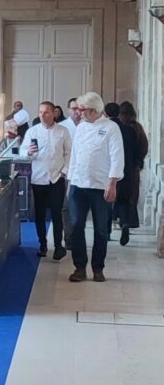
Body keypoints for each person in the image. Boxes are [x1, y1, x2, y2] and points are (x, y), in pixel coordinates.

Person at [66, 93, 124, 283]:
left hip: (101, 186)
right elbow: (75, 155)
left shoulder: (111, 128)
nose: (79, 113)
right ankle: (79, 267)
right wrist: (70, 181)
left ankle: (98, 268)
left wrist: (112, 183)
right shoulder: (81, 127)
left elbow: (117, 157)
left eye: (81, 110)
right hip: (78, 184)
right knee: (76, 226)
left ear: (94, 110)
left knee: (101, 229)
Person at [24, 101, 72, 260]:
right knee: (39, 214)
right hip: (38, 178)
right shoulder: (32, 131)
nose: (42, 115)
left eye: (46, 112)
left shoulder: (63, 131)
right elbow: (22, 152)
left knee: (57, 213)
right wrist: (27, 152)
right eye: (40, 112)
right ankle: (42, 244)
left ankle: (59, 246)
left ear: (54, 113)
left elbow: (69, 153)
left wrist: (64, 172)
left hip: (56, 178)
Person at [104, 102, 140, 246]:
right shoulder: (129, 130)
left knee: (106, 201)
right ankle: (124, 223)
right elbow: (137, 151)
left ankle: (106, 231)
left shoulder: (105, 130)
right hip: (126, 172)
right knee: (124, 200)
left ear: (105, 114)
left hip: (107, 171)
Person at [119, 101, 148, 228]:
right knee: (132, 193)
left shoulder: (120, 128)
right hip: (133, 166)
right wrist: (139, 160)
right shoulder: (137, 128)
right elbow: (144, 146)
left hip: (124, 165)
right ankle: (129, 220)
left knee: (124, 193)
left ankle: (123, 219)